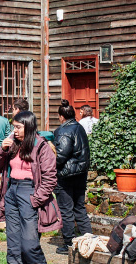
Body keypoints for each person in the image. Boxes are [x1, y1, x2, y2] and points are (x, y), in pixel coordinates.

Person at [0, 110, 61, 264]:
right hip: (12, 192)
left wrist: (35, 199)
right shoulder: (13, 144)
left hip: (29, 192)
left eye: (18, 127)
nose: (14, 131)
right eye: (13, 127)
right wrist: (2, 149)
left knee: (29, 245)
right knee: (14, 246)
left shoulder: (41, 146)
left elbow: (50, 177)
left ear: (28, 126)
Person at [52, 99, 91, 254]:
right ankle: (89, 238)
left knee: (66, 210)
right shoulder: (79, 127)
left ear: (61, 116)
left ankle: (69, 243)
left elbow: (60, 156)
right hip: (80, 173)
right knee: (79, 208)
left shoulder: (63, 131)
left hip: (66, 176)